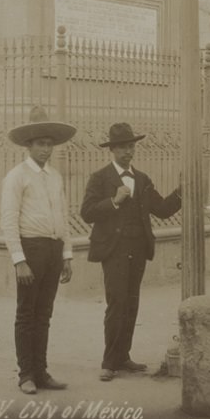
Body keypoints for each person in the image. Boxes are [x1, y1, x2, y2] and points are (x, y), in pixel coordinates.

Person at [80, 122, 181, 381]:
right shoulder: (100, 178)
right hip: (114, 250)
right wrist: (114, 201)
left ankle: (123, 357)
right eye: (123, 147)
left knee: (132, 303)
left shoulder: (142, 179)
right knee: (117, 303)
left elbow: (162, 209)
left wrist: (183, 191)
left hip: (138, 249)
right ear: (112, 149)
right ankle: (109, 361)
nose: (128, 152)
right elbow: (87, 212)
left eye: (131, 146)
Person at [0, 106, 77, 395]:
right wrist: (19, 260)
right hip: (30, 248)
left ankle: (42, 371)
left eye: (49, 144)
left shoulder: (55, 177)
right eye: (40, 144)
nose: (46, 149)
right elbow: (8, 220)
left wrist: (67, 254)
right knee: (26, 313)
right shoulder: (16, 176)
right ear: (28, 145)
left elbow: (63, 217)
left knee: (44, 313)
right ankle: (26, 375)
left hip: (53, 249)